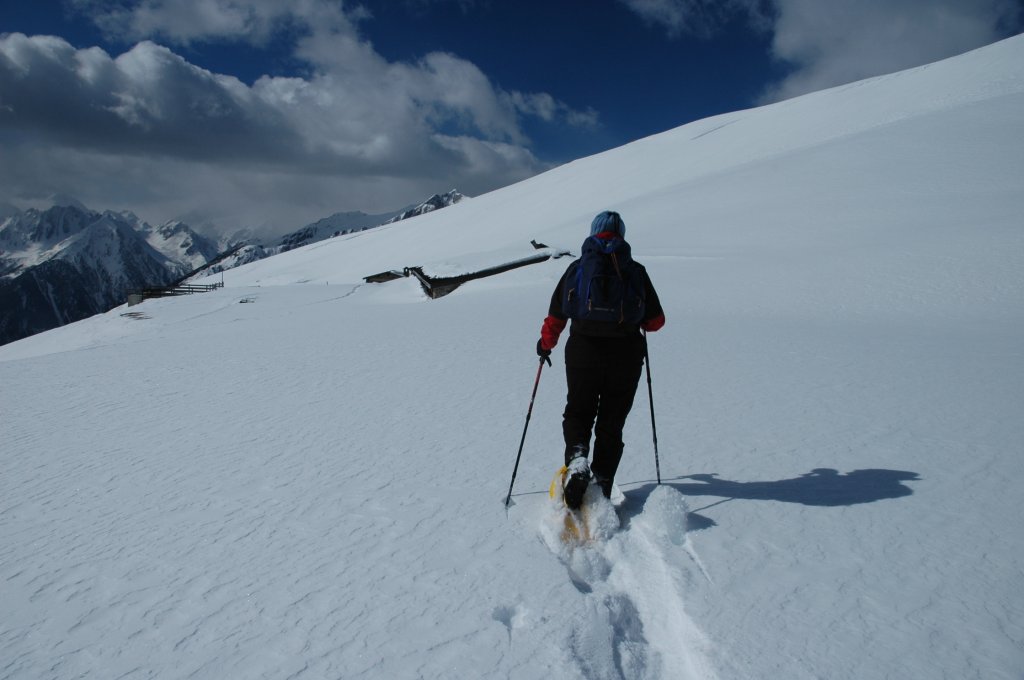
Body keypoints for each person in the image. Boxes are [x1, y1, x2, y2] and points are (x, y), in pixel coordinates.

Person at [536, 210, 665, 509]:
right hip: (626, 355)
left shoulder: (578, 268)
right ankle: (602, 482)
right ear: (621, 234)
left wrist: (545, 345)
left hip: (583, 352)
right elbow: (656, 321)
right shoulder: (635, 270)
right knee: (612, 421)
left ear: (593, 233)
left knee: (579, 412)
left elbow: (557, 315)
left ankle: (578, 460)